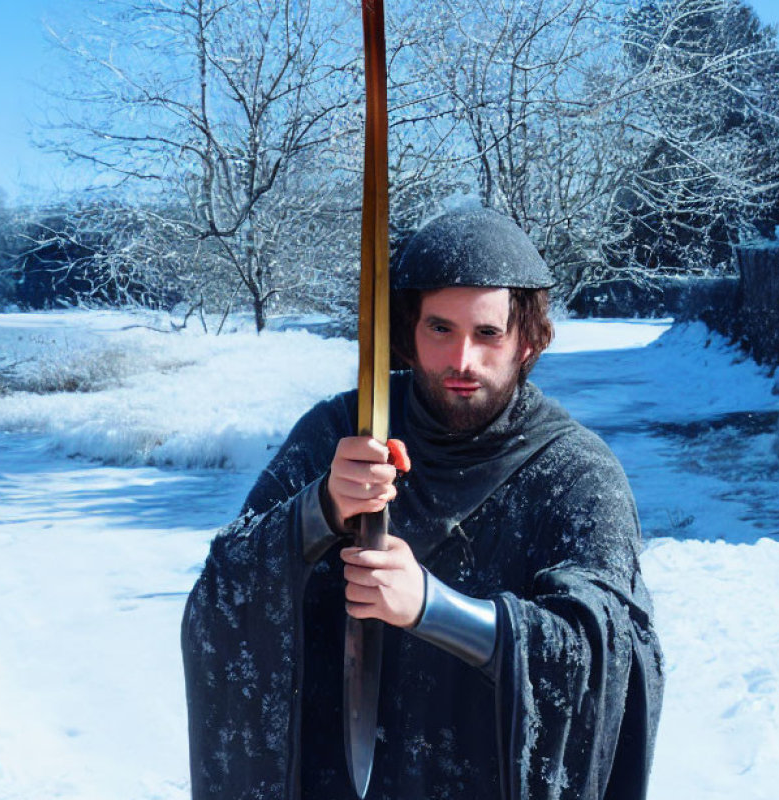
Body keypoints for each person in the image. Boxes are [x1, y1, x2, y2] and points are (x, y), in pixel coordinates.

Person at [181, 208, 664, 800]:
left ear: (528, 341)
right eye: (441, 329)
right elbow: (223, 587)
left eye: (488, 333)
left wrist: (431, 606)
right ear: (409, 331)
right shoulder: (338, 431)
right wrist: (322, 508)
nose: (462, 360)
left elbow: (603, 654)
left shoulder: (575, 472)